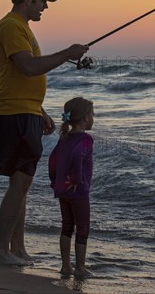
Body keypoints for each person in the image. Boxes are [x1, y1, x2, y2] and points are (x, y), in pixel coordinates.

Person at [0, 0, 89, 266]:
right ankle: (0, 251)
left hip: (25, 112)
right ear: (27, 0)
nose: (45, 6)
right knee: (19, 185)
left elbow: (18, 77)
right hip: (14, 115)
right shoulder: (11, 26)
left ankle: (16, 249)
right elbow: (28, 66)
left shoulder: (21, 28)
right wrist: (67, 54)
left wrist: (40, 110)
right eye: (43, 1)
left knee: (21, 185)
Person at [48, 97, 95, 278]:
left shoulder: (64, 138)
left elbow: (53, 159)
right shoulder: (85, 139)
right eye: (92, 115)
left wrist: (54, 180)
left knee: (67, 226)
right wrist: (77, 178)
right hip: (78, 191)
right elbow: (77, 156)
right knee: (82, 228)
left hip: (62, 190)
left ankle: (66, 266)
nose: (93, 119)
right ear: (84, 118)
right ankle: (80, 268)